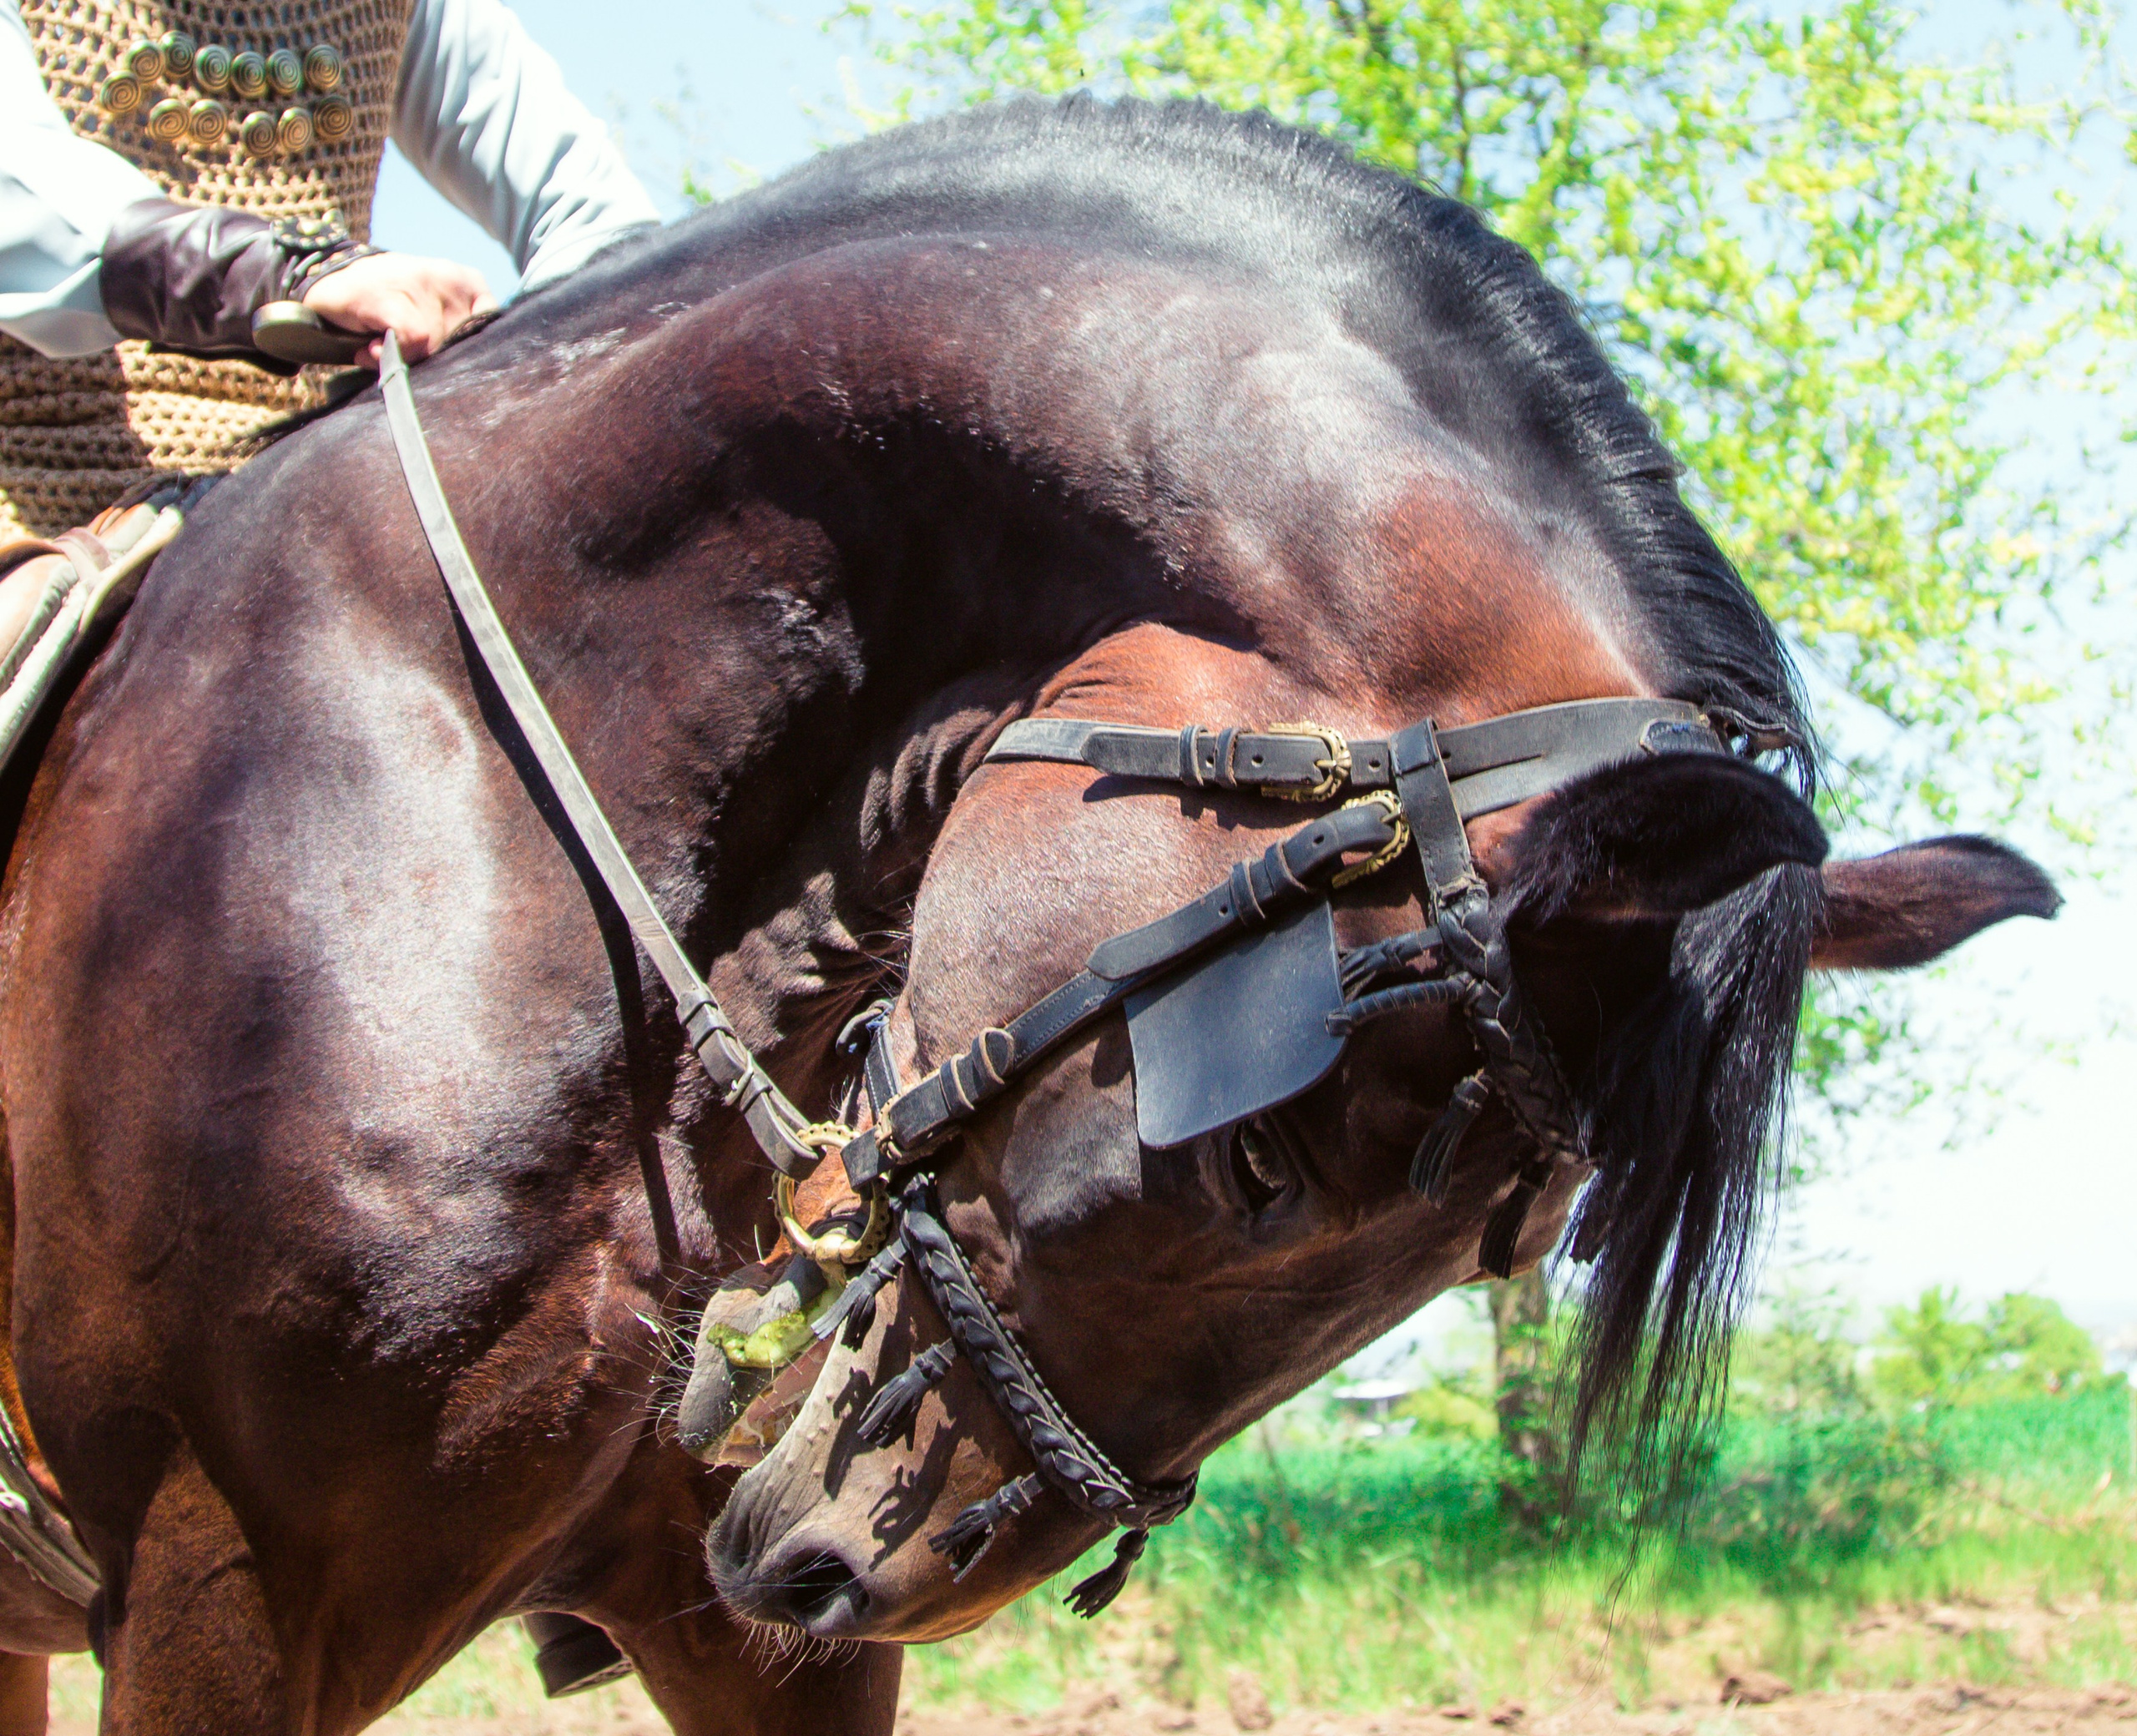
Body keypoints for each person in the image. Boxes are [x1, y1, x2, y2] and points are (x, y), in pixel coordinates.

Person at [0, 0, 661, 1701]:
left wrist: (572, 346)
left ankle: (656, 1439)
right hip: (28, 510)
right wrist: (283, 281)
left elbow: (599, 208)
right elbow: (28, 205)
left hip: (321, 524)